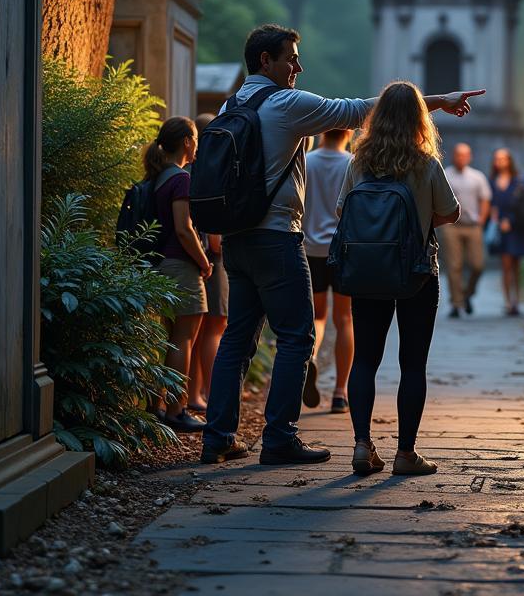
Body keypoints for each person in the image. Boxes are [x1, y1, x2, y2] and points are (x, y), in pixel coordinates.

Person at [200, 23, 484, 466]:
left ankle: (217, 436)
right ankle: (279, 439)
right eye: (290, 57)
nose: (298, 66)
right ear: (265, 61)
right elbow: (358, 110)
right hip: (277, 236)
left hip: (238, 236)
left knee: (238, 336)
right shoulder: (286, 104)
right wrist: (437, 102)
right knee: (296, 337)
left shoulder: (231, 103)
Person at [336, 81, 460, 477]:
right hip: (416, 274)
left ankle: (361, 446)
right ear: (419, 119)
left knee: (365, 360)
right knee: (412, 364)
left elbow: (343, 211)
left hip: (368, 272)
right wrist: (420, 220)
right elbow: (451, 213)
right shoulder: (426, 163)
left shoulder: (359, 160)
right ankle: (405, 454)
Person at [144, 116, 213, 433]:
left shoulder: (159, 177)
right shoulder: (181, 179)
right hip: (181, 265)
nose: (197, 143)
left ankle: (160, 404)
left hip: (161, 265)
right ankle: (176, 408)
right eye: (195, 137)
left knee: (170, 339)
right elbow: (184, 229)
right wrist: (203, 261)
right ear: (186, 141)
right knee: (184, 339)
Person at [303, 127, 355, 413]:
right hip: (344, 250)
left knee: (318, 316)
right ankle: (340, 392)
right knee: (345, 318)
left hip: (311, 250)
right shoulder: (352, 162)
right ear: (349, 132)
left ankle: (310, 356)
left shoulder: (307, 161)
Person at [187, 113, 229, 415]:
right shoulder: (207, 172)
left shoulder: (186, 171)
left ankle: (195, 394)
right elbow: (215, 239)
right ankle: (215, 396)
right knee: (215, 328)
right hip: (212, 261)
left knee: (196, 334)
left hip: (193, 260)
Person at [439, 143, 492, 318]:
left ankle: (466, 295)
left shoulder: (477, 177)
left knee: (478, 264)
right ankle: (456, 303)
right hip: (451, 226)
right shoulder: (446, 175)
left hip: (473, 225)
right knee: (454, 266)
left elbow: (485, 199)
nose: (461, 158)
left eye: (465, 155)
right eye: (458, 155)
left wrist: (482, 219)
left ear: (469, 157)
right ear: (454, 156)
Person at [488, 148, 524, 316]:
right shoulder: (492, 181)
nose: (500, 162)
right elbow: (492, 204)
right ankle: (508, 302)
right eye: (497, 159)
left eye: (504, 158)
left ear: (509, 160)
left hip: (517, 227)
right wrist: (495, 222)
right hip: (502, 229)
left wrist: (511, 221)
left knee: (517, 265)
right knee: (506, 264)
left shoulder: (519, 180)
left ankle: (517, 300)